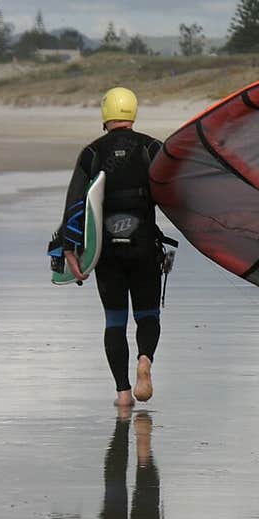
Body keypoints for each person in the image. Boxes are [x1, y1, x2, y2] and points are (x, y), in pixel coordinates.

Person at [60, 87, 166, 407]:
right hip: (145, 246)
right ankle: (144, 361)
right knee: (147, 316)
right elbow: (176, 192)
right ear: (133, 112)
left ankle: (122, 394)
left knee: (115, 320)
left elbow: (77, 203)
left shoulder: (92, 153)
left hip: (107, 251)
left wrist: (70, 248)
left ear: (105, 114)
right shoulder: (152, 148)